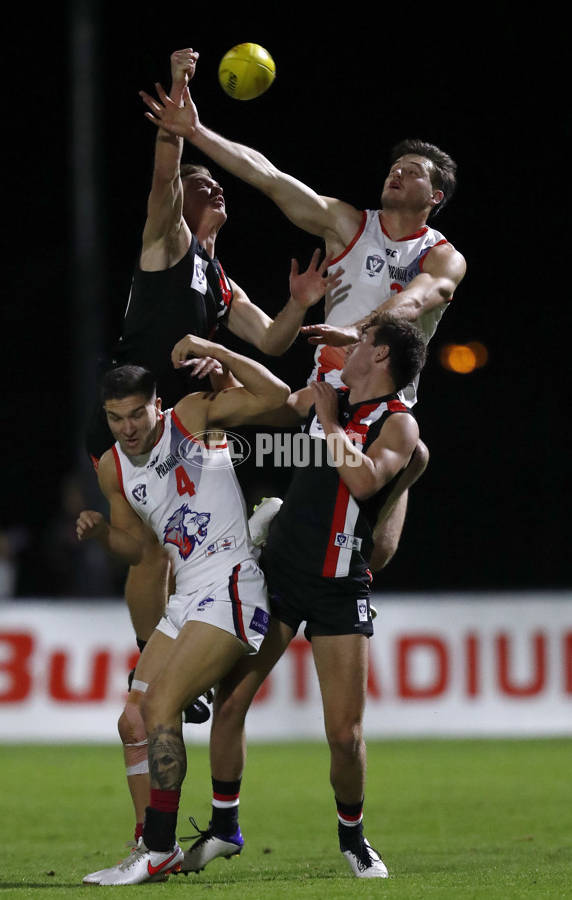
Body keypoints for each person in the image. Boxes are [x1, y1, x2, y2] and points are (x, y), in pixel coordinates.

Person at [85, 48, 341, 836]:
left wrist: (301, 304)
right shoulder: (165, 250)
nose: (211, 184)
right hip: (144, 415)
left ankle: (214, 625)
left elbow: (268, 335)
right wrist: (180, 118)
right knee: (160, 541)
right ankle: (154, 651)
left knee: (248, 483)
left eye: (217, 181)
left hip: (194, 421)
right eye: (204, 181)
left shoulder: (218, 278)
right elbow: (166, 182)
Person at [139, 67, 467, 567]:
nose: (397, 172)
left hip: (388, 407)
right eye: (394, 166)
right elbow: (269, 178)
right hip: (328, 396)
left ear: (435, 197)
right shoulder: (347, 224)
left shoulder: (443, 257)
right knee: (333, 536)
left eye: (414, 171)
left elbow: (418, 300)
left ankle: (278, 526)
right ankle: (248, 524)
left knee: (376, 554)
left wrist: (358, 331)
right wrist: (195, 132)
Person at [176, 312, 427, 879]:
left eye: (364, 340)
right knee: (231, 702)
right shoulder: (326, 393)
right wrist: (223, 374)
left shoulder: (398, 423)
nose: (352, 345)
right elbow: (271, 406)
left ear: (382, 356)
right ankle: (224, 827)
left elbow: (363, 481)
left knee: (344, 735)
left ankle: (353, 837)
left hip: (339, 586)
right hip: (281, 577)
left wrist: (330, 421)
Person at [77, 335, 291, 886]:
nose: (127, 428)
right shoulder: (113, 471)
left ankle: (159, 847)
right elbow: (135, 545)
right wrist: (102, 533)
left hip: (230, 584)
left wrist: (212, 348)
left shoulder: (193, 417)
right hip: (185, 597)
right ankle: (151, 840)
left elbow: (277, 394)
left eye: (136, 414)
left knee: (162, 707)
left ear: (156, 405)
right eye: (115, 418)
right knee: (135, 717)